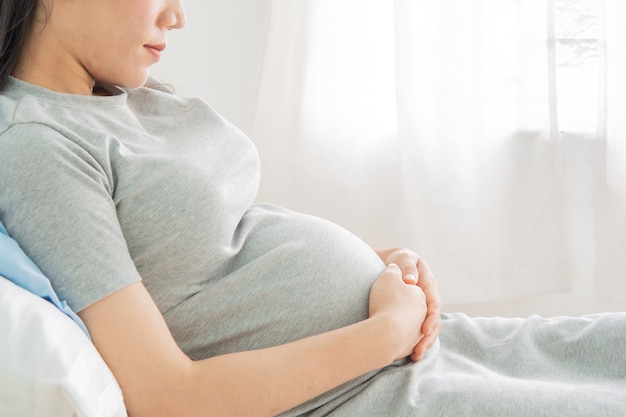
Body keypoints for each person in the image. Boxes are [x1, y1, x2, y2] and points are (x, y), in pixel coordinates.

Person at [0, 1, 624, 417]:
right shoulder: (37, 145)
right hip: (358, 394)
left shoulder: (122, 94)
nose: (178, 15)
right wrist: (384, 333)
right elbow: (163, 395)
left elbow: (217, 240)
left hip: (414, 351)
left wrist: (383, 262)